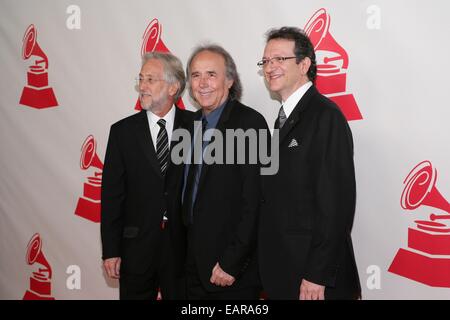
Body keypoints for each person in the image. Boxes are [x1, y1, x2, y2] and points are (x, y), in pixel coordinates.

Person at [257, 27, 361, 300]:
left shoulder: (325, 117)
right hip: (285, 271)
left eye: (280, 59)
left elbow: (335, 204)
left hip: (314, 280)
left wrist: (318, 273)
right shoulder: (283, 118)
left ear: (304, 65)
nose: (270, 67)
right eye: (266, 61)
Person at [101, 52, 193, 300]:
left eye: (151, 79)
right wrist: (111, 250)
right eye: (141, 79)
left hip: (183, 248)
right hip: (135, 248)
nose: (142, 86)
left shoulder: (197, 127)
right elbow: (112, 196)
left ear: (173, 86)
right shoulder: (122, 132)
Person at [182, 44, 269, 299]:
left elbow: (255, 202)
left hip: (231, 273)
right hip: (192, 269)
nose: (203, 83)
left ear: (230, 80)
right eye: (196, 75)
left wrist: (232, 262)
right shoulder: (189, 125)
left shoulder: (250, 124)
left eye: (211, 74)